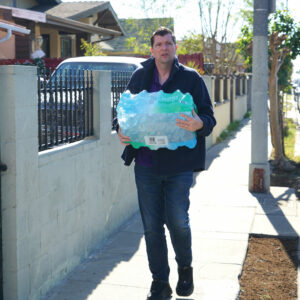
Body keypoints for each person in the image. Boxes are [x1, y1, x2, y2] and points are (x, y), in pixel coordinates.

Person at [116, 27, 216, 300]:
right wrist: (120, 130)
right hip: (146, 165)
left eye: (168, 43)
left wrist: (199, 124)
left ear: (175, 48)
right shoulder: (140, 76)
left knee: (178, 221)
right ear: (152, 50)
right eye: (159, 44)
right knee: (151, 227)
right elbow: (124, 112)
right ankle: (160, 281)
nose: (164, 48)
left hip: (179, 165)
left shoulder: (191, 79)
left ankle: (185, 267)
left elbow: (209, 117)